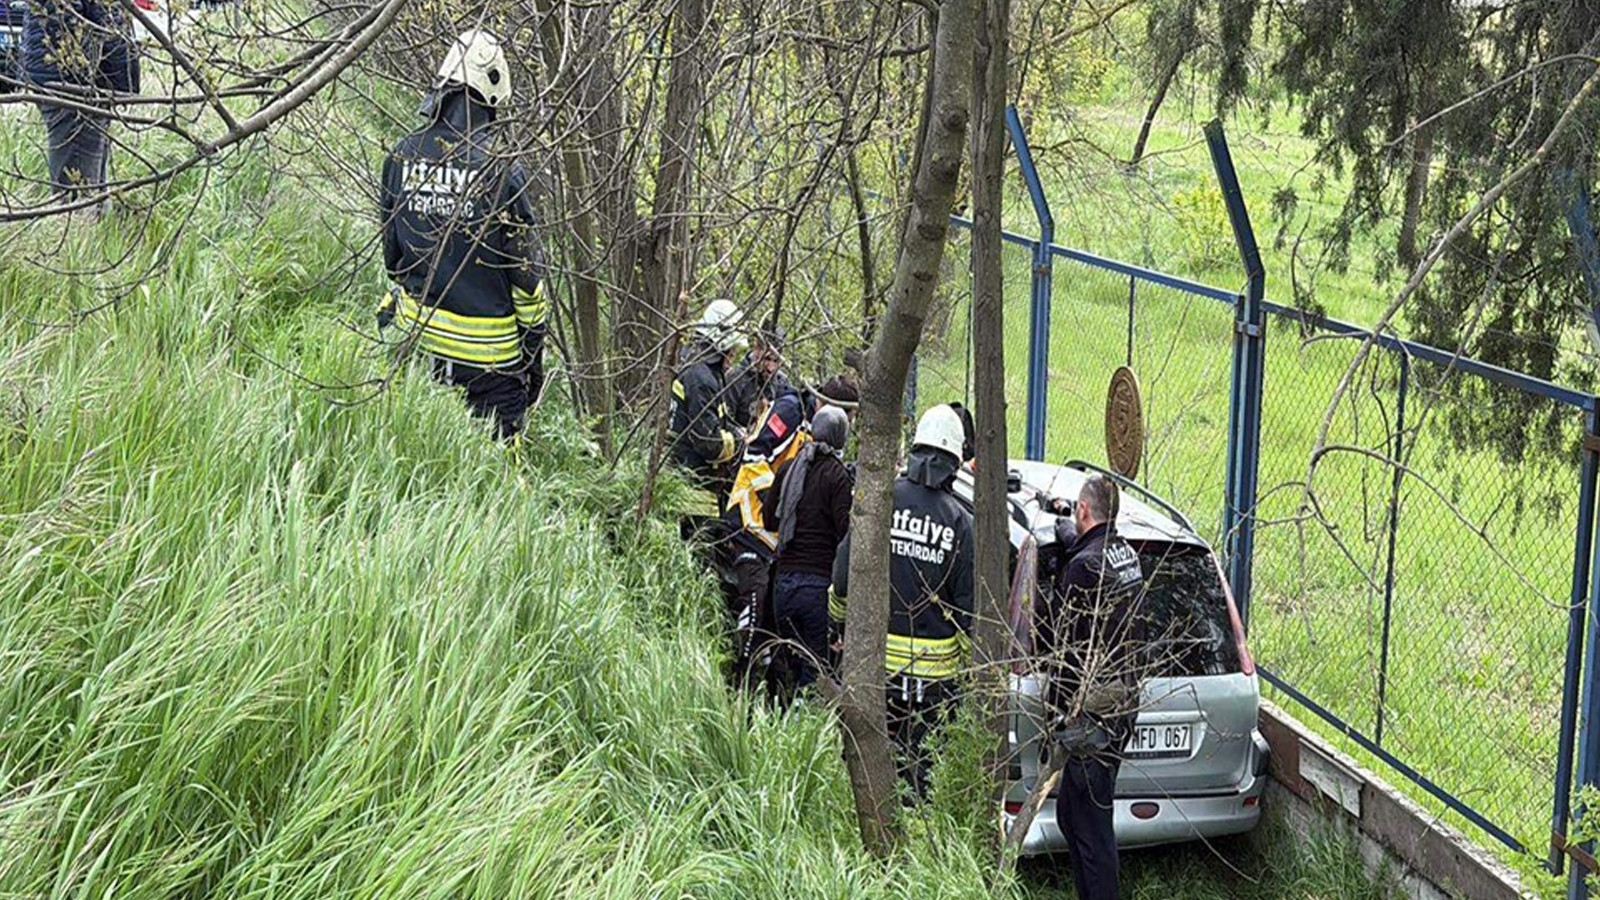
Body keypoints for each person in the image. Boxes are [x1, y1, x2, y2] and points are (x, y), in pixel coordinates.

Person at [377, 30, 547, 440]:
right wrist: (533, 358)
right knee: (496, 484)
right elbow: (527, 282)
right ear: (490, 97)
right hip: (491, 373)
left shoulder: (401, 155)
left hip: (417, 349)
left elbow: (393, 259)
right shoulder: (504, 172)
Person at [831, 405, 975, 797]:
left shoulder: (882, 500)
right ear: (956, 459)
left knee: (870, 769)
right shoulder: (961, 522)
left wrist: (837, 621)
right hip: (934, 686)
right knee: (923, 781)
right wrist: (966, 668)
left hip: (876, 670)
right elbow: (967, 611)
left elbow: (843, 575)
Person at [1038, 474, 1146, 900]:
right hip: (1123, 703)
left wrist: (1057, 713)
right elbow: (1092, 548)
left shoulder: (1083, 568)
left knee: (1092, 828)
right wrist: (1069, 531)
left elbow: (1064, 647)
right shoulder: (1125, 554)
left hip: (1092, 710)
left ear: (1085, 510)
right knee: (1074, 814)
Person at [721, 372, 809, 683]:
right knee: (755, 605)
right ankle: (739, 678)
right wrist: (778, 499)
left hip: (771, 534)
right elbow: (756, 452)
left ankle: (770, 686)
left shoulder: (811, 430)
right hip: (749, 519)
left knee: (774, 613)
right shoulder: (791, 411)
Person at [22, 0, 141, 216]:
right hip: (74, 85)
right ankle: (78, 242)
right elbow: (106, 20)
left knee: (90, 185)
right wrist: (122, 81)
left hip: (78, 81)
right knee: (78, 195)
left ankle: (94, 239)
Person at [765, 405, 852, 693]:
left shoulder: (789, 469)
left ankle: (780, 725)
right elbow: (845, 533)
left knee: (790, 669)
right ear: (840, 437)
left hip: (782, 586)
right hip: (816, 589)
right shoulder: (837, 476)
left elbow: (769, 518)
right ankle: (806, 731)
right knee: (816, 676)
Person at [669, 298, 747, 528]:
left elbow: (718, 419)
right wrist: (740, 440)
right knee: (700, 553)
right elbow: (709, 443)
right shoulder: (701, 378)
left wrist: (734, 430)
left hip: (693, 483)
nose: (733, 355)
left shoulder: (701, 368)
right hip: (692, 490)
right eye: (732, 349)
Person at [726, 327, 792, 430]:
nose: (771, 368)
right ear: (756, 349)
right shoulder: (736, 379)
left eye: (776, 361)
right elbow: (724, 422)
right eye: (767, 359)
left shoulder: (781, 382)